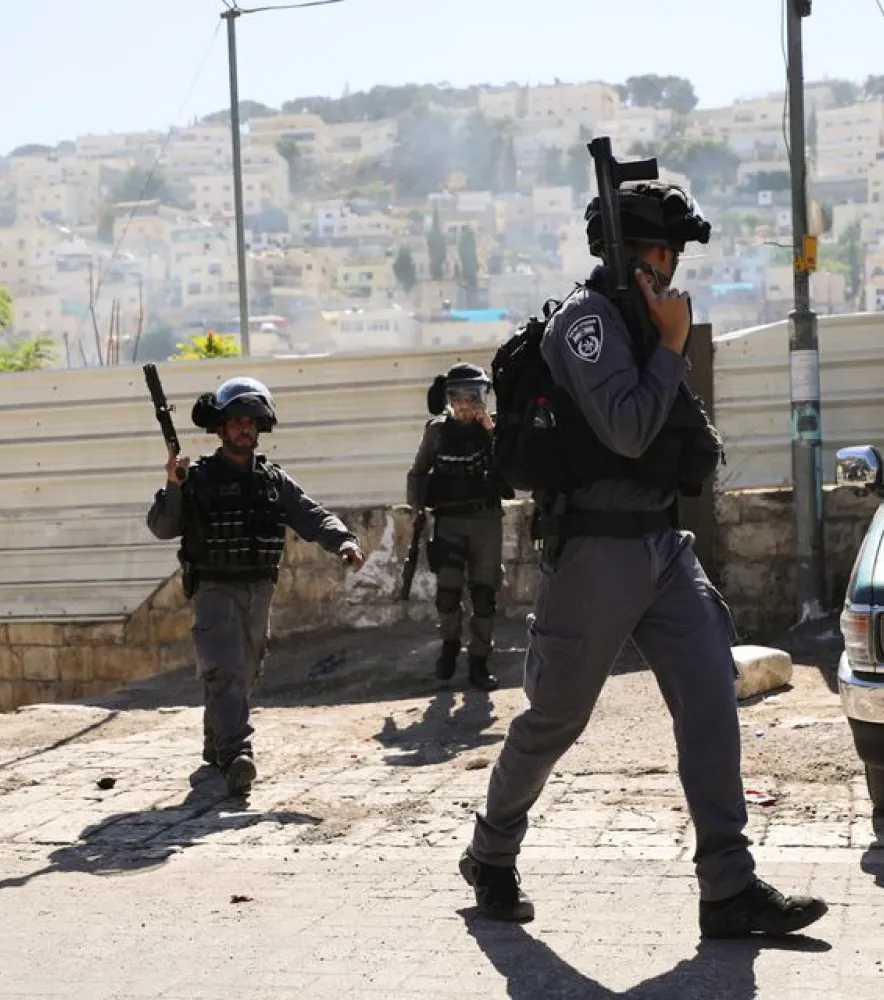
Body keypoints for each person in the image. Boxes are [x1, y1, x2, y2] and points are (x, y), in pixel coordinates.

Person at [458, 181, 831, 939]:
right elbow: (627, 429)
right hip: (595, 550)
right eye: (663, 249)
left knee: (711, 699)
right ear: (628, 252)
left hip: (662, 547)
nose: (673, 263)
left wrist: (664, 343)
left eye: (675, 251)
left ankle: (728, 887)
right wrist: (668, 345)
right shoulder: (587, 324)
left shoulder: (641, 316)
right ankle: (491, 851)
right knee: (556, 717)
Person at [147, 376, 366, 798]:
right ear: (221, 429)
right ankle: (237, 753)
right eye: (235, 422)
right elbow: (162, 526)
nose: (244, 428)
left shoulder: (272, 481)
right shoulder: (196, 478)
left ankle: (217, 741)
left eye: (251, 422)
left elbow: (311, 515)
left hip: (259, 589)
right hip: (214, 588)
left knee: (244, 669)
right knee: (224, 668)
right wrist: (174, 486)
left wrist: (343, 541)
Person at [405, 363, 514, 691]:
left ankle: (479, 661)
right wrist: (417, 509)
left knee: (484, 596)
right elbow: (419, 472)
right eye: (459, 399)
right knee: (448, 593)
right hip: (449, 522)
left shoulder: (493, 430)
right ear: (449, 399)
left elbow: (511, 469)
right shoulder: (437, 431)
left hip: (486, 522)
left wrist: (491, 430)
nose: (466, 406)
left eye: (473, 398)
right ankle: (450, 645)